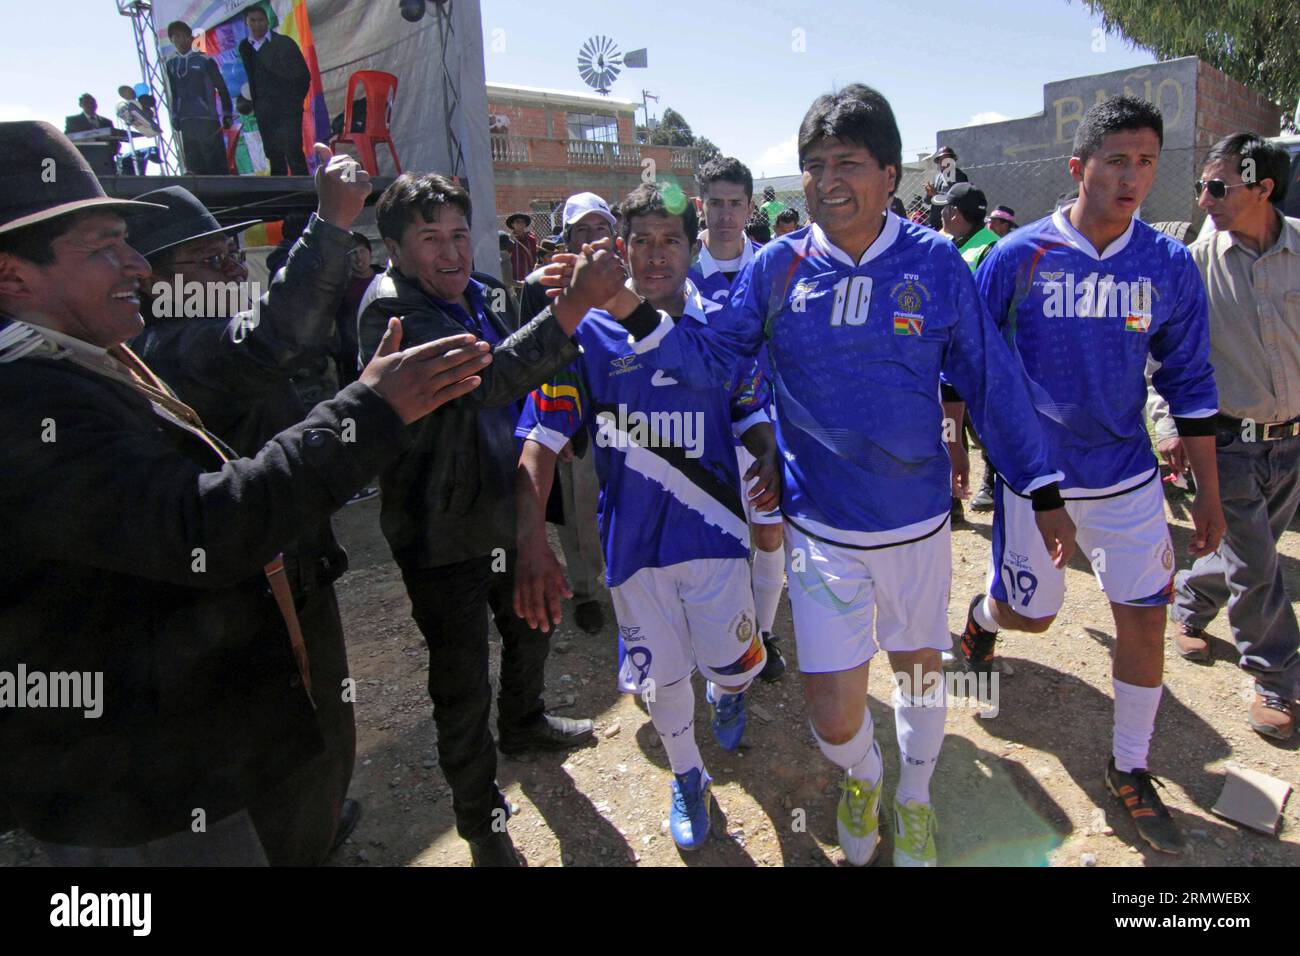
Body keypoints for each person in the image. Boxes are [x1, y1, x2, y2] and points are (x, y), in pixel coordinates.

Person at [606, 85, 1073, 867]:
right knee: (831, 714)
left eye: (847, 164)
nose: (828, 181)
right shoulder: (778, 268)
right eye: (814, 166)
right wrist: (626, 308)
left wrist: (1043, 489)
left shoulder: (932, 263)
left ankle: (915, 800)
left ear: (890, 174)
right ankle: (863, 774)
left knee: (920, 676)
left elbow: (991, 381)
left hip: (917, 526)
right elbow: (712, 359)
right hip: (821, 531)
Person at [0, 120, 490, 865]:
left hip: (183, 745)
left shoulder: (89, 361)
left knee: (309, 775)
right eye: (104, 247)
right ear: (14, 278)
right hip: (133, 789)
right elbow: (200, 525)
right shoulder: (33, 401)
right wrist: (371, 408)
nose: (134, 266)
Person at [957, 96, 1224, 854]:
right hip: (1035, 480)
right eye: (1116, 160)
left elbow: (1190, 380)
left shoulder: (1168, 264)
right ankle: (981, 620)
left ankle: (1130, 767)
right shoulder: (1018, 257)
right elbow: (980, 371)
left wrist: (1205, 488)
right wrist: (1006, 467)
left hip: (1129, 477)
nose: (1132, 176)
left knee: (1142, 616)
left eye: (1146, 161)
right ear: (1079, 168)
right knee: (1032, 616)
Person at [126, 144, 373, 863]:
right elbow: (275, 335)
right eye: (210, 263)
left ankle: (320, 825)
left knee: (329, 722)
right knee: (293, 742)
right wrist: (329, 222)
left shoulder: (203, 337)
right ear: (155, 287)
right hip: (253, 596)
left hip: (298, 570)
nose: (235, 271)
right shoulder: (172, 351)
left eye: (234, 255)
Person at [514, 183, 776, 850]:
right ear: (620, 248)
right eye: (642, 240)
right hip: (633, 546)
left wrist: (769, 454)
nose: (656, 255)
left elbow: (747, 405)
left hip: (716, 537)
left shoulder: (721, 319)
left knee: (735, 665)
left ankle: (731, 688)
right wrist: (530, 543)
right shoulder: (586, 332)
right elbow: (541, 438)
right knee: (661, 680)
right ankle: (688, 777)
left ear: (692, 249)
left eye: (671, 240)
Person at [356, 173, 601, 866]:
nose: (451, 252)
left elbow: (506, 335)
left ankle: (523, 724)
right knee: (462, 683)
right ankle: (481, 821)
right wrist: (571, 309)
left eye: (460, 234)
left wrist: (543, 296)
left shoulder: (470, 291)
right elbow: (485, 378)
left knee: (532, 621)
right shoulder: (391, 314)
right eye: (430, 238)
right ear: (396, 249)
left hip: (498, 503)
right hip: (438, 533)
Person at [1149, 133, 1300, 740]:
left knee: (1250, 550)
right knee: (1258, 565)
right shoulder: (1194, 263)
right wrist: (1168, 427)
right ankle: (1277, 677)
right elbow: (1168, 354)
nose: (1203, 199)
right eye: (1200, 187)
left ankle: (1190, 602)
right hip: (1228, 444)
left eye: (1217, 187)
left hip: (1291, 442)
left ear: (1263, 189)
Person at [692, 156, 786, 681]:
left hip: (761, 427)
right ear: (700, 203)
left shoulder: (771, 266)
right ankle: (718, 636)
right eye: (716, 203)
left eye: (736, 203)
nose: (726, 214)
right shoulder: (679, 268)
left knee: (768, 534)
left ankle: (765, 636)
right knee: (714, 540)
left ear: (751, 207)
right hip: (701, 429)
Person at [518, 192, 619, 635]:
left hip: (622, 420)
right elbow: (526, 359)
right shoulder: (540, 285)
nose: (594, 239)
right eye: (583, 230)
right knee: (579, 512)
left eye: (601, 229)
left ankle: (625, 579)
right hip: (569, 421)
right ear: (567, 238)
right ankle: (585, 590)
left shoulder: (628, 282)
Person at [237, 5, 311, 176]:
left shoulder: (284, 43)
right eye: (253, 21)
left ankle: (306, 196)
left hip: (288, 109)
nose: (257, 24)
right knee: (273, 154)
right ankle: (281, 198)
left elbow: (303, 76)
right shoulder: (245, 48)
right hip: (264, 110)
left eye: (261, 20)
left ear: (267, 21)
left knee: (293, 152)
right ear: (246, 22)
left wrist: (294, 101)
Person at [164, 20, 234, 176]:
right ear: (171, 40)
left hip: (207, 119)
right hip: (186, 120)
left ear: (191, 38)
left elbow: (222, 88)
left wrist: (227, 113)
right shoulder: (171, 64)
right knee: (194, 165)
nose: (180, 40)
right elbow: (173, 93)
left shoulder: (205, 60)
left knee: (214, 163)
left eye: (183, 36)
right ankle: (201, 198)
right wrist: (174, 116)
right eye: (175, 37)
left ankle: (223, 195)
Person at [934, 182, 999, 271]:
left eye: (945, 207)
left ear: (954, 213)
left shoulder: (992, 249)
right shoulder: (948, 239)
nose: (941, 212)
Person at [63, 94, 120, 175]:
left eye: (92, 102)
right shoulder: (73, 121)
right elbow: (68, 139)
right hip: (84, 162)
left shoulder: (107, 122)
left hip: (106, 164)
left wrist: (111, 152)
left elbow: (115, 141)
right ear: (81, 105)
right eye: (86, 103)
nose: (90, 105)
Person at [114, 85, 161, 175]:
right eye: (128, 92)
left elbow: (148, 117)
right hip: (138, 132)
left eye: (132, 92)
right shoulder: (125, 105)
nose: (131, 93)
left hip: (146, 133)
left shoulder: (137, 105)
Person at [925, 145, 968, 228]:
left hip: (951, 223)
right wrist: (929, 194)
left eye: (946, 159)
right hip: (936, 222)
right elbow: (927, 201)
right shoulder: (938, 177)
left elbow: (957, 199)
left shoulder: (959, 176)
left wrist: (935, 194)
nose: (943, 162)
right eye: (941, 159)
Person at [505, 212, 537, 284]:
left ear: (525, 224)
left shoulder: (531, 240)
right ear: (512, 224)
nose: (520, 223)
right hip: (515, 277)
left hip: (530, 275)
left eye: (522, 222)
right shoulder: (508, 240)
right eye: (517, 221)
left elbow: (534, 256)